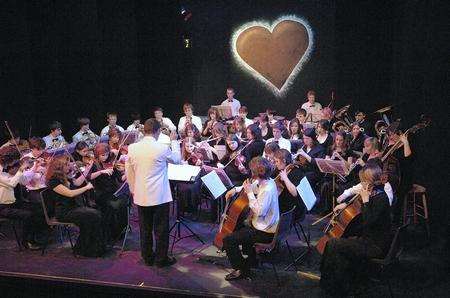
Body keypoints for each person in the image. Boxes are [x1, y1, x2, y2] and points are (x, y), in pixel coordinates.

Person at [320, 164, 392, 297]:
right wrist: (346, 204)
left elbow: (368, 221)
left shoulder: (382, 198)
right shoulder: (374, 193)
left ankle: (331, 285)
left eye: (364, 181)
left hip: (375, 245)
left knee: (333, 244)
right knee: (336, 244)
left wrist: (365, 201)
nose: (362, 184)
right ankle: (334, 282)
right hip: (368, 239)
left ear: (371, 182)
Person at [125, 118, 180, 267]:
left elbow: (129, 171)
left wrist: (132, 189)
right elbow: (177, 159)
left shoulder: (133, 148)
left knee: (145, 228)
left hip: (141, 194)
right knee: (161, 228)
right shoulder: (161, 147)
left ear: (144, 131)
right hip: (159, 195)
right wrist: (174, 142)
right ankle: (161, 259)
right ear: (157, 131)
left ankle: (147, 257)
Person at [222, 157, 279, 281]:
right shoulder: (269, 181)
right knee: (239, 226)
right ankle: (251, 260)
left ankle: (241, 269)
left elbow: (259, 212)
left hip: (264, 232)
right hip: (264, 226)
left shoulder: (267, 190)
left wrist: (248, 193)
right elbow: (253, 187)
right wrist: (236, 189)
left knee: (228, 240)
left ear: (255, 173)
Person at [45, 156, 107, 257]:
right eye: (67, 164)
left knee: (94, 215)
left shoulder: (64, 176)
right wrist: (86, 187)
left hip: (73, 208)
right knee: (93, 216)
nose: (70, 166)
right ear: (60, 167)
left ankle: (91, 248)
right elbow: (70, 193)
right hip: (64, 212)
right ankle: (84, 249)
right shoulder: (54, 181)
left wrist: (87, 169)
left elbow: (77, 182)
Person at [0, 147, 39, 249]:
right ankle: (26, 242)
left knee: (37, 208)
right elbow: (11, 184)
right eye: (14, 161)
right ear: (7, 160)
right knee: (28, 215)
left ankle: (35, 237)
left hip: (13, 202)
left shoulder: (12, 168)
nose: (15, 163)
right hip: (3, 206)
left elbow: (24, 181)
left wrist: (34, 166)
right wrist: (20, 169)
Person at [273, 149, 307, 219]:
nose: (275, 163)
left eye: (277, 161)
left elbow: (295, 193)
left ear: (284, 161)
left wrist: (285, 178)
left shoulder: (296, 172)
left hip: (292, 208)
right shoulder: (279, 169)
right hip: (283, 202)